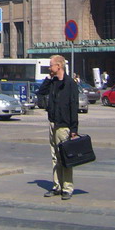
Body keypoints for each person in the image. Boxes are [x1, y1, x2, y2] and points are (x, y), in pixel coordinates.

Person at [37, 55, 81, 200]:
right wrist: (49, 78)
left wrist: (74, 129)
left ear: (59, 66)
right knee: (55, 157)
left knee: (65, 158)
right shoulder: (53, 82)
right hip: (53, 123)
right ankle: (57, 186)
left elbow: (73, 107)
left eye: (51, 65)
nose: (49, 68)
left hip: (64, 125)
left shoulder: (70, 83)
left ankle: (67, 188)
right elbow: (40, 92)